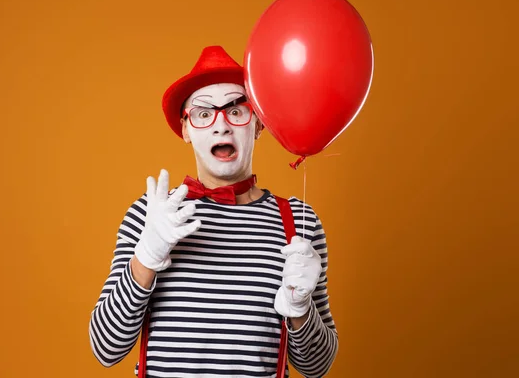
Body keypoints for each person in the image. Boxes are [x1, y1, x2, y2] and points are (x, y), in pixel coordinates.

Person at [89, 45, 338, 378]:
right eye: (203, 114)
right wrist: (147, 256)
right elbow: (105, 348)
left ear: (259, 123)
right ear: (186, 130)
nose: (221, 126)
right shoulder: (151, 216)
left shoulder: (297, 223)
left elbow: (317, 367)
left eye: (236, 110)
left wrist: (300, 310)